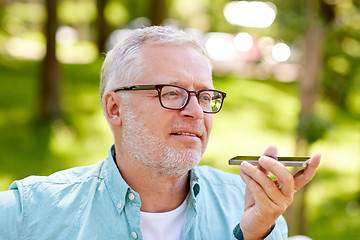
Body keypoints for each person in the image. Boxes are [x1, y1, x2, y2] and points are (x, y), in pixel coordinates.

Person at [0, 26, 321, 240]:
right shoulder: (30, 214)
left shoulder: (252, 207)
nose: (196, 111)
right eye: (171, 93)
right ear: (115, 109)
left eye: (205, 96)